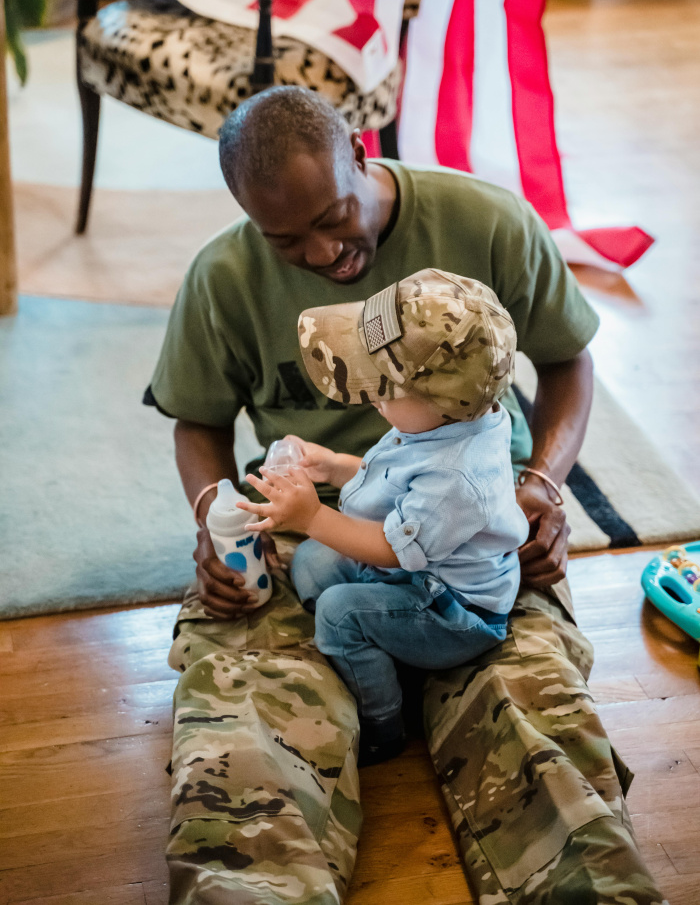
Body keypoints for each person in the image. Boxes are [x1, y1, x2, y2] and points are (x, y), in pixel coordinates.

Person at [146, 86, 665, 904]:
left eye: (331, 218)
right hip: (302, 525)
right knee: (243, 759)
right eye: (286, 240)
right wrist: (217, 520)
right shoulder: (223, 276)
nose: (321, 254)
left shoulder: (489, 222)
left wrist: (541, 490)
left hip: (482, 546)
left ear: (359, 150)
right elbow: (196, 421)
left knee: (541, 738)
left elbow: (571, 360)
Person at [237, 269, 530, 767]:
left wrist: (311, 514)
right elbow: (397, 479)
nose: (372, 392)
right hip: (416, 565)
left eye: (382, 386)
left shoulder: (457, 477)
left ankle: (384, 721)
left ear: (440, 400)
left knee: (339, 609)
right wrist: (335, 465)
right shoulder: (450, 423)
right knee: (313, 560)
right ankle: (365, 642)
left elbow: (394, 549)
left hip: (454, 610)